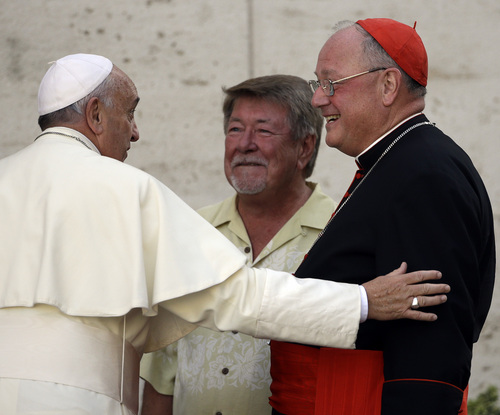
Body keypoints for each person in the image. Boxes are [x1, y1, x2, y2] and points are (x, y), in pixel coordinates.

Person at [0, 53, 448, 415]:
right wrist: (363, 301)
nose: (135, 133)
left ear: (304, 147)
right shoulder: (127, 188)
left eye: (263, 131)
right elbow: (236, 297)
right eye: (130, 113)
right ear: (96, 114)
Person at [268, 19, 496, 415]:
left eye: (331, 83)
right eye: (317, 83)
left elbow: (429, 353)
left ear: (388, 85)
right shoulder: (400, 161)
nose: (318, 99)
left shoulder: (423, 176)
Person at [140, 74, 337, 414]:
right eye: (235, 129)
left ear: (305, 147)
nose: (244, 144)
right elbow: (163, 371)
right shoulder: (190, 233)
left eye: (263, 131)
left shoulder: (337, 235)